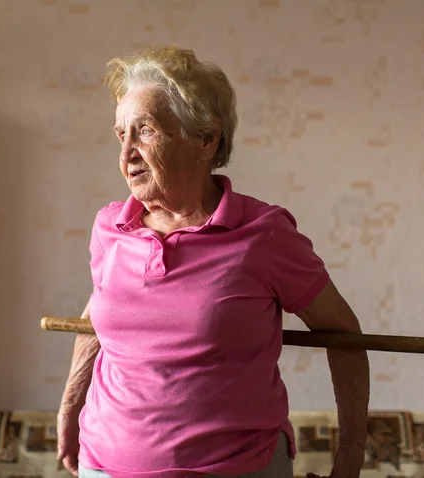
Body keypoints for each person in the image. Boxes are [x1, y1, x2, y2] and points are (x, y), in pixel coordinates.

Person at [57, 46, 369, 478]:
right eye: (120, 135)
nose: (126, 152)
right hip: (102, 466)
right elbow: (100, 312)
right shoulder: (110, 226)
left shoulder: (265, 233)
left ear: (207, 139)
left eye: (144, 131)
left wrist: (351, 454)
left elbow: (343, 333)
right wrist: (70, 406)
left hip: (237, 468)